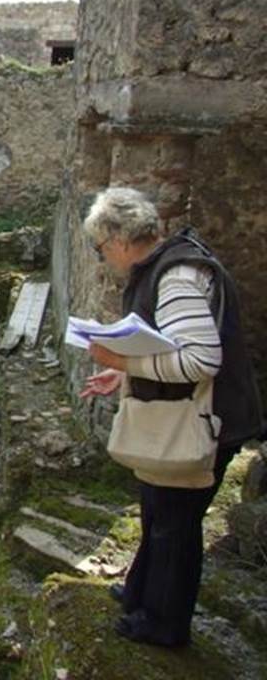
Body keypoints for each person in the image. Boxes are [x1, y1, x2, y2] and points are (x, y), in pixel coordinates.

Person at [79, 186, 263, 647]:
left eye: (101, 250)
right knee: (157, 511)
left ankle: (165, 624)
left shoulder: (177, 277)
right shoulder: (165, 267)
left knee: (176, 526)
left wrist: (125, 364)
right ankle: (141, 593)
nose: (105, 261)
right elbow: (165, 346)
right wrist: (120, 376)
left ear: (119, 240)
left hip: (206, 426)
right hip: (184, 416)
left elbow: (201, 361)